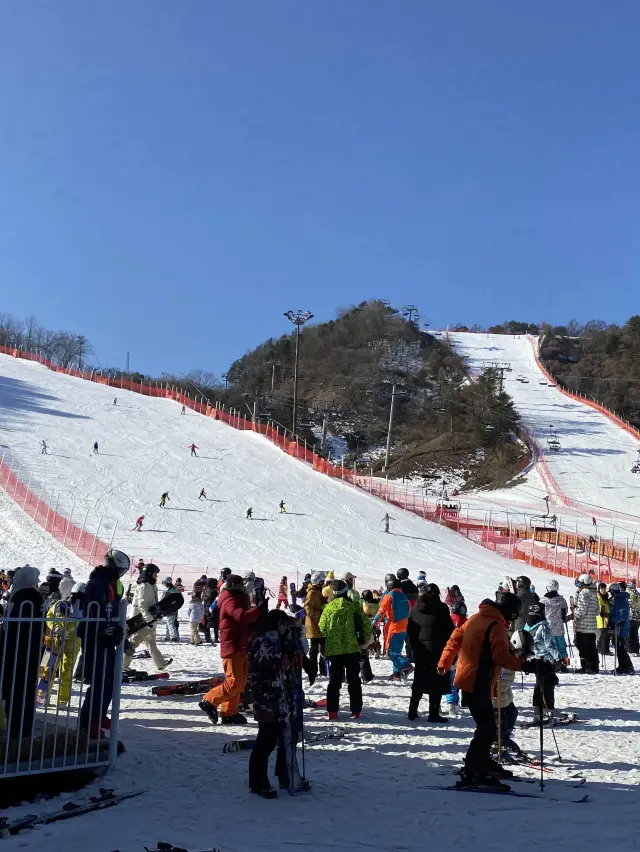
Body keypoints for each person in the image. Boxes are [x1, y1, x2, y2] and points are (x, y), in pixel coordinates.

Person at [438, 591, 538, 787]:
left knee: (487, 726)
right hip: (477, 680)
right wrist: (526, 665)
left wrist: (444, 662)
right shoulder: (496, 625)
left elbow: (454, 638)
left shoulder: (476, 618)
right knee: (487, 728)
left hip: (470, 678)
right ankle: (474, 770)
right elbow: (501, 656)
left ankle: (481, 763)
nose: (511, 621)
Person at [247, 609, 306, 798]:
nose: (284, 628)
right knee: (267, 740)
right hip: (267, 698)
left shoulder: (280, 640)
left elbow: (293, 660)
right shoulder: (261, 641)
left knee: (288, 737)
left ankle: (285, 774)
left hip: (283, 697)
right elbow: (273, 662)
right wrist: (287, 651)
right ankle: (258, 782)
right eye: (282, 624)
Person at [78, 550, 129, 736]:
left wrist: (119, 629)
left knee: (111, 681)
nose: (121, 573)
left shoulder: (113, 584)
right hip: (96, 639)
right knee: (100, 681)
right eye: (120, 569)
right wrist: (102, 630)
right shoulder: (97, 583)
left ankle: (99, 715)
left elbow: (114, 609)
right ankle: (88, 722)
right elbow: (92, 612)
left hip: (109, 638)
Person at [199, 574, 260, 725]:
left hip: (240, 644)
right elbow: (240, 616)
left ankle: (229, 712)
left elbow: (243, 621)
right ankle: (209, 700)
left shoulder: (238, 598)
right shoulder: (230, 599)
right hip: (232, 645)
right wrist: (257, 611)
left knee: (240, 682)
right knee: (234, 682)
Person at [0, 565, 43, 740]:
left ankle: (17, 733)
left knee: (16, 692)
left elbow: (16, 627)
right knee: (22, 692)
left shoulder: (25, 599)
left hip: (17, 651)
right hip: (27, 653)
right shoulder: (32, 598)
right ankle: (21, 731)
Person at [319, 579, 372, 720]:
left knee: (334, 681)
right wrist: (365, 642)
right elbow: (367, 626)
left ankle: (332, 712)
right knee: (354, 680)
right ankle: (355, 711)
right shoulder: (354, 607)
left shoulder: (328, 609)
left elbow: (322, 628)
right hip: (352, 649)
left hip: (334, 650)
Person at [407, 584, 454, 722]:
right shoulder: (442, 609)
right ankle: (433, 713)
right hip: (438, 650)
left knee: (419, 680)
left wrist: (414, 648)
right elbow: (449, 630)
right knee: (437, 681)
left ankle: (412, 711)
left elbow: (410, 632)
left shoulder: (415, 609)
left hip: (421, 650)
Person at [123, 564, 173, 672]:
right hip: (140, 619)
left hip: (147, 619)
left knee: (150, 641)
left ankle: (161, 663)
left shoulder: (151, 585)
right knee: (134, 642)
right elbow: (142, 605)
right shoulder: (144, 586)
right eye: (155, 573)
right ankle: (122, 665)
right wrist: (148, 619)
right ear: (150, 573)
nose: (156, 576)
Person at [524, 603, 562, 722]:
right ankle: (549, 708)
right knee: (548, 683)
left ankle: (537, 708)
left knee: (539, 683)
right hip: (545, 659)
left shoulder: (527, 625)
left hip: (534, 659)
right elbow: (549, 644)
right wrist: (558, 658)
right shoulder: (543, 626)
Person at [372, 574, 411, 681]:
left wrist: (374, 624)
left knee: (391, 652)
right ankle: (396, 674)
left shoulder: (389, 596)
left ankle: (406, 666)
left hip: (394, 627)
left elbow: (381, 612)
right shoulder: (404, 596)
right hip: (404, 627)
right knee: (397, 651)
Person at [567, 573, 599, 674]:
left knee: (583, 648)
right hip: (592, 626)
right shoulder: (594, 593)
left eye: (580, 583)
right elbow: (597, 611)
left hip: (583, 626)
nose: (579, 585)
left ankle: (585, 666)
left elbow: (582, 610)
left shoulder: (584, 593)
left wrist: (572, 615)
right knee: (592, 647)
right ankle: (594, 667)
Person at [445, 600, 468, 717]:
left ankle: (451, 704)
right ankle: (456, 703)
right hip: (463, 656)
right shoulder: (467, 623)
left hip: (449, 654)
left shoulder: (447, 620)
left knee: (450, 682)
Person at [304, 572, 326, 682]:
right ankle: (312, 672)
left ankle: (323, 671)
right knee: (313, 651)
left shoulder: (319, 592)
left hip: (321, 626)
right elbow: (308, 610)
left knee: (324, 649)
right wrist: (320, 614)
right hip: (314, 626)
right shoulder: (311, 594)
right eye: (322, 582)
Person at [608, 583, 634, 674]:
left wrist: (613, 621)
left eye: (611, 592)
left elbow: (622, 615)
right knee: (619, 649)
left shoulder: (621, 600)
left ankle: (627, 667)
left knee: (621, 649)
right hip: (619, 628)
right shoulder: (618, 599)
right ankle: (622, 666)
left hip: (621, 629)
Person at [543, 579, 569, 666]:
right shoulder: (562, 600)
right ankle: (564, 664)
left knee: (549, 647)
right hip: (559, 628)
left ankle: (551, 664)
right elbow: (565, 612)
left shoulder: (543, 600)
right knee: (562, 648)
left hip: (548, 628)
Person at [202, 578, 220, 644]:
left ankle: (207, 637)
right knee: (215, 624)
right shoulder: (214, 592)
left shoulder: (205, 590)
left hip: (206, 608)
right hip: (213, 609)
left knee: (207, 623)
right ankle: (216, 638)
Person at [596, 582, 611, 656]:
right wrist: (603, 614)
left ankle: (601, 649)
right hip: (601, 618)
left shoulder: (605, 597)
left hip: (606, 617)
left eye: (604, 589)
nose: (603, 590)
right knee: (604, 635)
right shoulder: (599, 597)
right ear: (599, 589)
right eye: (602, 589)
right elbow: (599, 608)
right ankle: (603, 650)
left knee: (604, 635)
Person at [628, 581, 640, 656]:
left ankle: (630, 650)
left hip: (630, 617)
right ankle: (636, 650)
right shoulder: (638, 594)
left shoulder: (629, 594)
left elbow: (628, 605)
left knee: (629, 634)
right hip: (638, 618)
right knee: (635, 634)